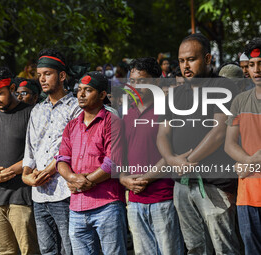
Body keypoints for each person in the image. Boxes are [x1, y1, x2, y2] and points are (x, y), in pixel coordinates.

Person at [157, 33, 240, 254]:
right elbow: (162, 134)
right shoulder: (174, 95)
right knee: (195, 247)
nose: (185, 65)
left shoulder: (224, 87)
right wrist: (173, 160)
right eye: (182, 60)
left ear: (207, 59)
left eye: (191, 59)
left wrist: (188, 161)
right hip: (182, 185)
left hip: (214, 185)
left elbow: (219, 131)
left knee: (224, 247)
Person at [56, 71, 127, 255]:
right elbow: (62, 160)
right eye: (79, 90)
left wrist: (84, 183)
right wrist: (73, 178)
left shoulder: (112, 122)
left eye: (88, 90)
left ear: (102, 95)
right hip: (76, 208)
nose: (81, 94)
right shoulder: (72, 125)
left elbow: (113, 162)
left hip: (107, 205)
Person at [119, 57, 184, 255]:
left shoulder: (169, 110)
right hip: (135, 201)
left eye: (141, 81)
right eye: (132, 81)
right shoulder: (126, 112)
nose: (134, 86)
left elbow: (174, 153)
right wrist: (124, 179)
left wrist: (146, 178)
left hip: (163, 198)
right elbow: (120, 153)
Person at [0, 66, 38, 255]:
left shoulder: (30, 112)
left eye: (0, 93)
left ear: (11, 88)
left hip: (22, 196)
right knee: (3, 251)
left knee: (29, 250)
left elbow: (35, 154)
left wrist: (10, 171)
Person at [22, 48, 79, 255]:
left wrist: (48, 171)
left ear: (62, 76)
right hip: (38, 194)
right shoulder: (37, 109)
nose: (42, 79)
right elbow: (30, 149)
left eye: (47, 74)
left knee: (69, 249)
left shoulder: (76, 108)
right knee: (46, 250)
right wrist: (26, 175)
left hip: (63, 192)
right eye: (39, 75)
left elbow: (72, 148)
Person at [225, 37, 261, 254]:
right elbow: (229, 145)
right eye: (252, 65)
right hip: (247, 193)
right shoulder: (239, 101)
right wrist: (248, 161)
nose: (257, 70)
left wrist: (250, 163)